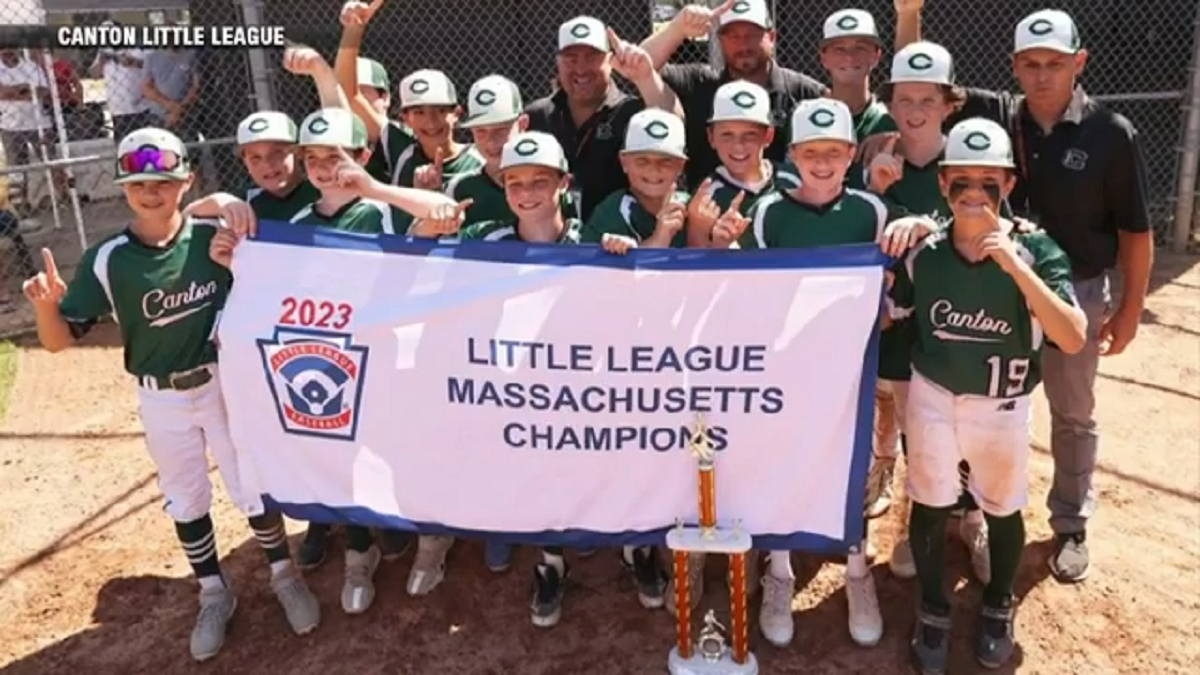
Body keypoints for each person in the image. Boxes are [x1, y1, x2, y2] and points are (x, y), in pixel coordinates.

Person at [21, 127, 321, 662]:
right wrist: (46, 307)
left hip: (223, 382)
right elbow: (61, 343)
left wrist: (226, 209)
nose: (150, 190)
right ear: (122, 188)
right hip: (160, 396)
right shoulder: (108, 258)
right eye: (137, 182)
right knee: (185, 496)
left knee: (249, 481)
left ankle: (283, 573)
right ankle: (213, 591)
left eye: (162, 179)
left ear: (186, 181)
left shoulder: (214, 238)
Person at [895, 7, 1155, 584]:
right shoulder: (995, 113)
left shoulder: (1111, 133)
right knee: (973, 399)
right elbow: (920, 90)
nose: (1042, 76)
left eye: (1055, 64)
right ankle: (971, 512)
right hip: (987, 283)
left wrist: (1130, 308)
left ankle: (1069, 523)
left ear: (1078, 63)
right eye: (1030, 64)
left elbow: (1137, 229)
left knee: (1071, 411)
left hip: (1075, 286)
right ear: (1013, 66)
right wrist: (907, 15)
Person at [890, 117, 1087, 673]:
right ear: (943, 182)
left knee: (1002, 506)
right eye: (961, 181)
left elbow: (1072, 335)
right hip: (934, 393)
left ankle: (999, 603)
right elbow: (891, 309)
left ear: (1010, 184)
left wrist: (1013, 267)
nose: (975, 194)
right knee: (929, 502)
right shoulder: (922, 249)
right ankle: (933, 607)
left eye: (989, 182)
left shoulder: (1035, 249)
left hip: (1001, 405)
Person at [741, 97, 936, 649]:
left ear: (851, 154)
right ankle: (778, 569)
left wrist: (891, 298)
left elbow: (900, 280)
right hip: (786, 367)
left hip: (850, 367)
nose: (821, 162)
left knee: (847, 469)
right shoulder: (769, 214)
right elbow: (751, 294)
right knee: (784, 460)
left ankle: (855, 570)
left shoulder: (872, 211)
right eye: (809, 152)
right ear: (792, 155)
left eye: (833, 151)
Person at [412, 132, 583, 627]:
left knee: (583, 466)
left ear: (564, 183)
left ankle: (631, 551)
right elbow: (421, 239)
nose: (527, 193)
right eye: (514, 183)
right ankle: (550, 561)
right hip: (510, 388)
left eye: (539, 181)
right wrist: (415, 208)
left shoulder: (588, 241)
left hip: (575, 390)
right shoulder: (488, 239)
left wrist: (623, 252)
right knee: (528, 470)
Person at [857, 40, 992, 586]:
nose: (914, 111)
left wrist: (929, 228)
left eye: (927, 100)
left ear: (949, 103)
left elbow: (988, 226)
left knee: (965, 428)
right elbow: (852, 230)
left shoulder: (965, 162)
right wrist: (872, 190)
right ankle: (914, 509)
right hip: (896, 322)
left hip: (956, 322)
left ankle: (975, 514)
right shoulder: (875, 156)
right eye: (904, 99)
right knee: (911, 420)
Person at [639, 0, 826, 188]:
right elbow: (639, 66)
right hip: (707, 210)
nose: (742, 45)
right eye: (732, 36)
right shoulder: (701, 83)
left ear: (771, 37)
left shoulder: (803, 92)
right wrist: (677, 28)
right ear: (720, 40)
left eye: (752, 35)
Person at [525, 16, 682, 220]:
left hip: (618, 239)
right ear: (558, 63)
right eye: (571, 59)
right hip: (554, 243)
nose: (581, 69)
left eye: (591, 58)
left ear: (610, 60)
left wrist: (645, 77)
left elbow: (674, 126)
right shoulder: (537, 116)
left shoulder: (632, 113)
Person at [335, 1, 484, 189]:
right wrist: (353, 31)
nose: (430, 122)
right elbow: (348, 94)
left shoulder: (482, 159)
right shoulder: (400, 149)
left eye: (439, 110)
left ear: (457, 113)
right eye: (419, 112)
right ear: (405, 118)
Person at [685, 80, 799, 249]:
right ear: (711, 137)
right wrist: (700, 230)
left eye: (750, 134)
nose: (738, 145)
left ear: (768, 136)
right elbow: (695, 264)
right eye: (727, 135)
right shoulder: (707, 197)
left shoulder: (795, 178)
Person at [580, 108, 690, 254]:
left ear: (681, 166)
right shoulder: (610, 213)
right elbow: (584, 270)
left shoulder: (693, 209)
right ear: (624, 162)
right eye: (642, 161)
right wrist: (657, 240)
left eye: (666, 161)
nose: (653, 170)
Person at [818, 9, 896, 142]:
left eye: (860, 48)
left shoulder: (886, 120)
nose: (849, 57)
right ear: (823, 58)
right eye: (839, 49)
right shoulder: (808, 118)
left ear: (876, 56)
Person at [0, 48, 50, 219]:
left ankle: (65, 197)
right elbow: (1, 93)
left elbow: (43, 91)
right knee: (16, 169)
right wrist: (24, 89)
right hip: (10, 125)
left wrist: (11, 92)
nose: (5, 52)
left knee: (52, 161)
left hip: (38, 123)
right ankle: (21, 206)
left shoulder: (31, 66)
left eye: (9, 48)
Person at [88, 21, 150, 142]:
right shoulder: (104, 51)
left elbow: (149, 66)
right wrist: (101, 60)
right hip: (117, 109)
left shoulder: (135, 47)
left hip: (138, 107)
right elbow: (93, 74)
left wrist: (132, 61)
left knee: (143, 143)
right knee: (123, 145)